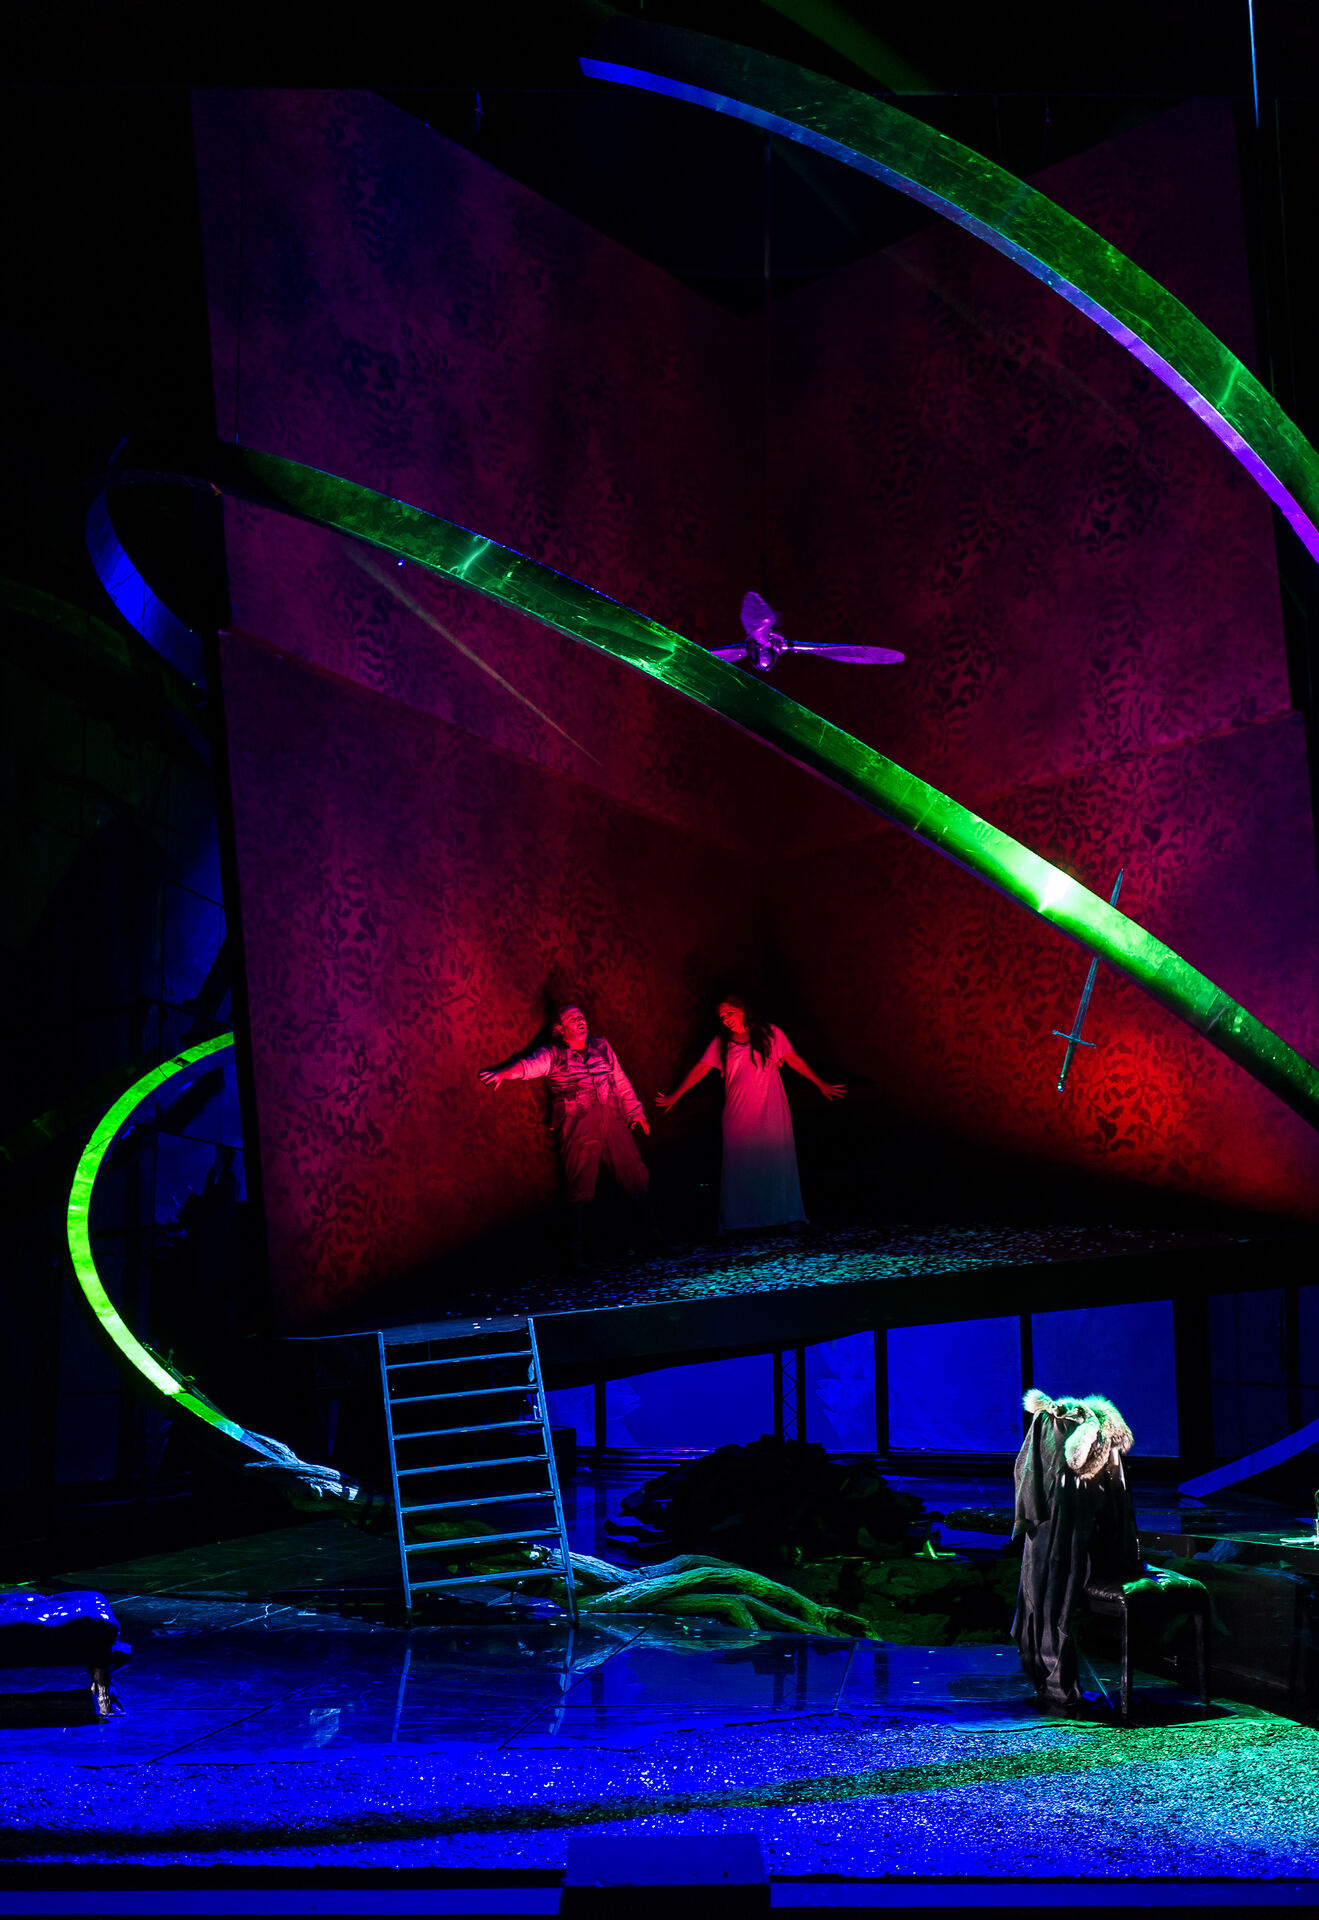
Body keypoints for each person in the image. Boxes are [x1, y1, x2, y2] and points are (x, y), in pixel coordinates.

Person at [480, 1003, 653, 1268]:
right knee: (580, 1189)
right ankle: (577, 1255)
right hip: (579, 1124)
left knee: (636, 1176)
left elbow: (620, 1080)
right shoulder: (552, 1054)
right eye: (572, 1018)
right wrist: (503, 1073)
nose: (580, 1020)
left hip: (612, 1120)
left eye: (581, 1016)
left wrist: (635, 1112)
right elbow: (528, 1067)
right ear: (561, 1028)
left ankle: (653, 1238)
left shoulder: (601, 1046)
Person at [655, 994, 844, 1232]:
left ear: (742, 1010)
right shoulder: (722, 1042)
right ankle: (736, 1221)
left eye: (729, 1013)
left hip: (771, 1108)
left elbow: (793, 1059)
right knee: (739, 1163)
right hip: (738, 1112)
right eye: (721, 1016)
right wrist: (676, 1095)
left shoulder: (770, 1033)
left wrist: (820, 1083)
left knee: (777, 1159)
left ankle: (788, 1216)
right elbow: (702, 1068)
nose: (725, 1019)